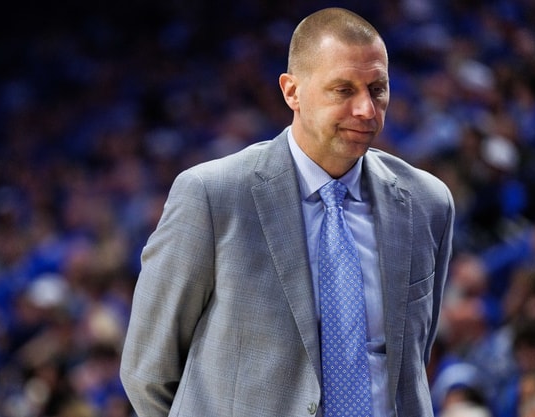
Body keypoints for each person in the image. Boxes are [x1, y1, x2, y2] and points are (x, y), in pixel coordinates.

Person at [120, 7, 455, 417]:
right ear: (292, 91)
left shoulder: (427, 203)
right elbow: (148, 372)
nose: (366, 109)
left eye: (377, 89)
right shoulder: (213, 196)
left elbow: (413, 358)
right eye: (343, 90)